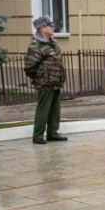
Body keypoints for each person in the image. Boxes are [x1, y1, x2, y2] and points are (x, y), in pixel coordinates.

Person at [24, 16, 68, 145]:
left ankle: (52, 133)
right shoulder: (36, 45)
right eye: (51, 25)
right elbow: (29, 67)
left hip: (55, 81)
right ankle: (38, 135)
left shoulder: (52, 42)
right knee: (43, 109)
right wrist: (41, 77)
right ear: (42, 28)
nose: (53, 27)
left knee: (55, 109)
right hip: (45, 82)